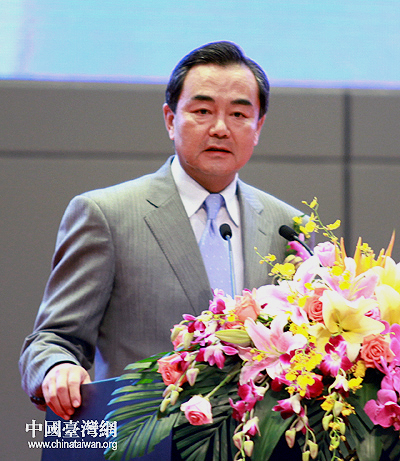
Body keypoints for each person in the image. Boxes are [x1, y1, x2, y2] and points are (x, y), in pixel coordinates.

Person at [20, 41, 303, 421]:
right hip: (140, 435)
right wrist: (56, 368)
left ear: (258, 127)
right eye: (202, 111)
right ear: (171, 119)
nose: (220, 128)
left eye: (238, 114)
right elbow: (52, 340)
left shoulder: (288, 227)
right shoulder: (107, 215)